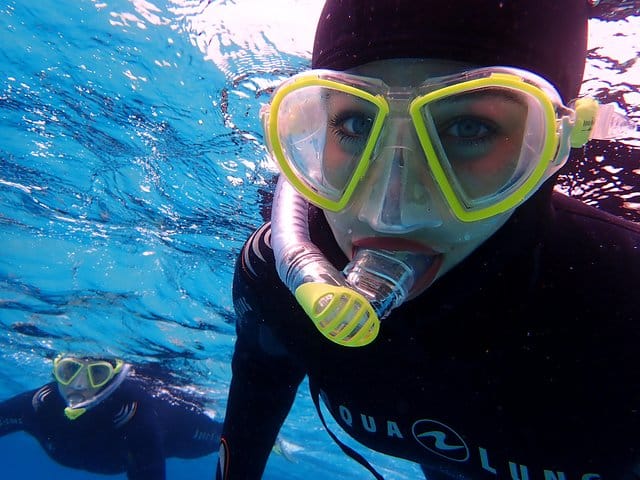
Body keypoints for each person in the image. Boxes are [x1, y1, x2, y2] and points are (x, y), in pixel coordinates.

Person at [218, 1, 640, 479]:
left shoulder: (626, 303)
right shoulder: (276, 281)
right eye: (354, 124)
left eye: (469, 127)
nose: (391, 210)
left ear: (554, 144)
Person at [0, 354, 222, 479]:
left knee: (228, 438)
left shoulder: (136, 416)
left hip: (178, 432)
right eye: (69, 371)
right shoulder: (38, 406)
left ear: (113, 378)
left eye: (97, 373)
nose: (78, 384)